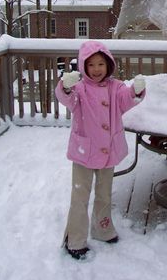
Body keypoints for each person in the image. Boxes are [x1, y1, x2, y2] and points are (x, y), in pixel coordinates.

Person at [55, 40, 146, 260]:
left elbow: (126, 99)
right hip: (84, 152)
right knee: (80, 196)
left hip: (108, 151)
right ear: (84, 67)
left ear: (109, 65)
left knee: (104, 195)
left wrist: (136, 90)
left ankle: (102, 229)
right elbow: (67, 98)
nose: (96, 69)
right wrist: (65, 86)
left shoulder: (116, 88)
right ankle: (75, 239)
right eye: (91, 65)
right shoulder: (79, 89)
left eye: (101, 64)